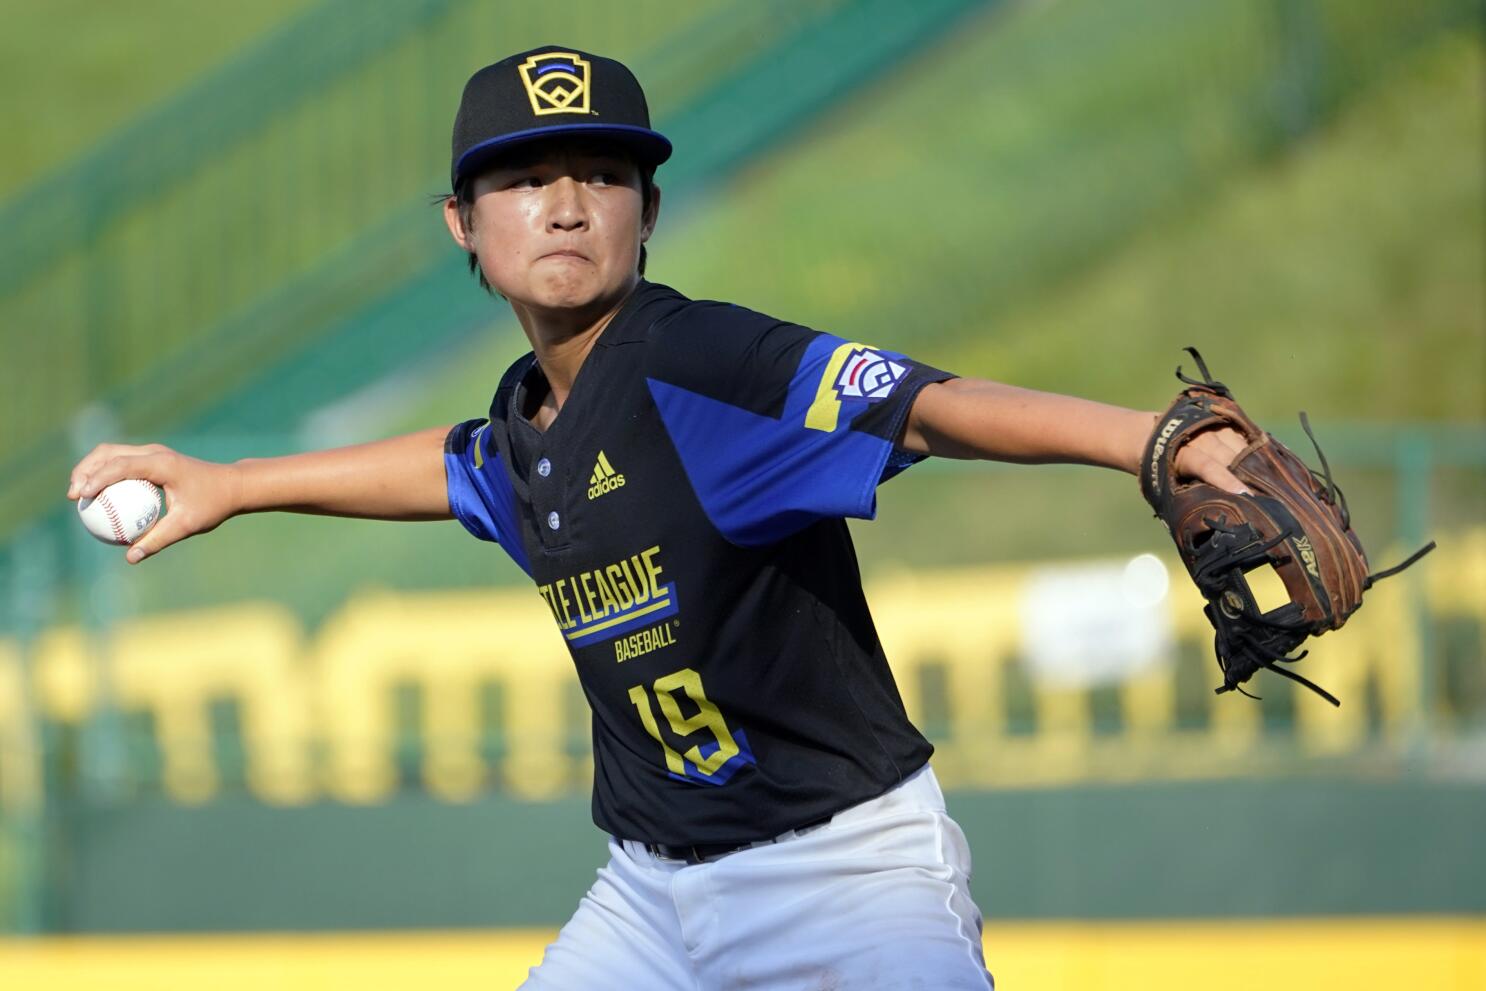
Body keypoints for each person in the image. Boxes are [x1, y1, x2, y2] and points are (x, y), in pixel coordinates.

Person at [68, 46, 1249, 990]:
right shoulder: (527, 418)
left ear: (650, 210)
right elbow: (453, 469)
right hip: (649, 900)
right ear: (461, 225)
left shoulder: (701, 363)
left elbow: (926, 409)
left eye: (603, 176)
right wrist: (235, 482)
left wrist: (1154, 440)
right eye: (526, 180)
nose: (568, 205)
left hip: (845, 876)